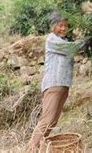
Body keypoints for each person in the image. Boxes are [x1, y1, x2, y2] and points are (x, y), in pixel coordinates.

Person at [28, 12, 75, 152]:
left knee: (53, 121)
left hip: (63, 84)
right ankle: (30, 149)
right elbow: (71, 49)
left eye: (66, 26)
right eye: (60, 25)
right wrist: (87, 40)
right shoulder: (52, 39)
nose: (63, 28)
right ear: (53, 26)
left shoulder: (65, 40)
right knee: (47, 120)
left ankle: (39, 148)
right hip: (53, 84)